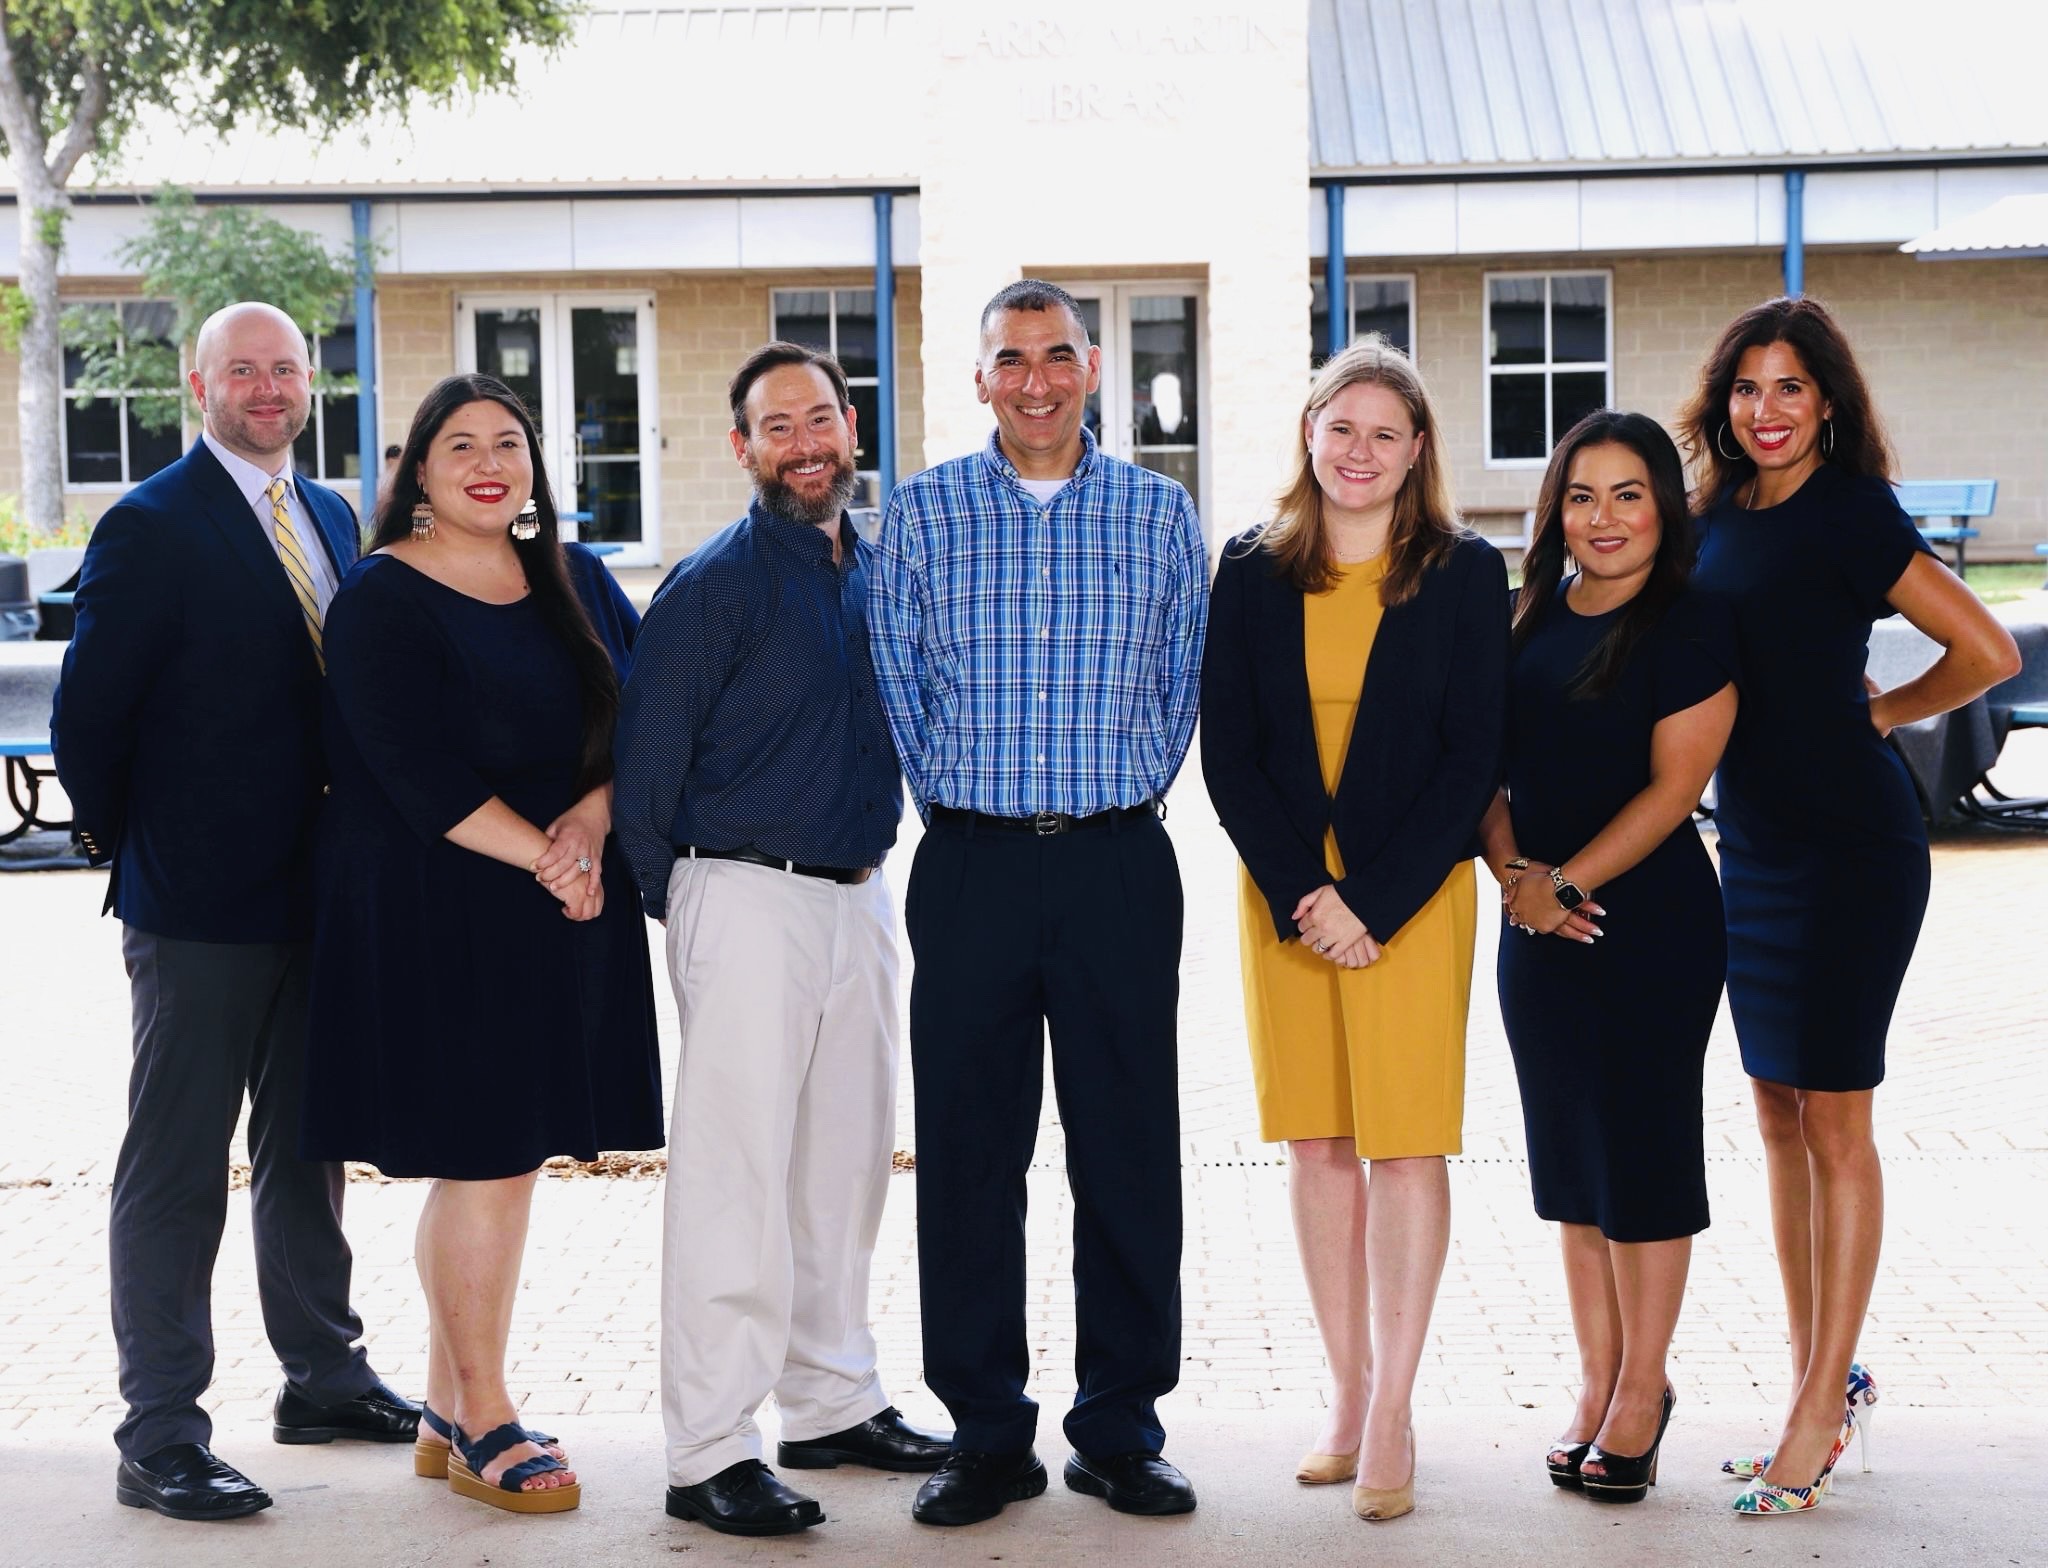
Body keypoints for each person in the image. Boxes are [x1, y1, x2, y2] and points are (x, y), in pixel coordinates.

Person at [51, 301, 417, 1523]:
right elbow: (87, 725)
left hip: (324, 892)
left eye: (287, 369)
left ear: (311, 383)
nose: (268, 388)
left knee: (308, 1148)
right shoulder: (148, 525)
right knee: (175, 1165)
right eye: (243, 370)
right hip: (199, 904)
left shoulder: (327, 511)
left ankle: (321, 1375)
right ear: (195, 383)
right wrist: (139, 849)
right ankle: (159, 1430)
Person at [869, 280, 1208, 1527]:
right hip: (970, 866)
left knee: (1126, 1150)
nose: (1034, 380)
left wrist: (1106, 796)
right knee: (967, 1154)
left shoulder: (1156, 513)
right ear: (978, 379)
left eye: (1056, 355)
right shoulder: (922, 512)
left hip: (1118, 860)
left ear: (1092, 367)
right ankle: (984, 1430)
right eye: (1008, 359)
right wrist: (972, 803)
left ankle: (1118, 1426)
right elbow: (899, 678)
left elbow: (1181, 682)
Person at [301, 371, 665, 1515]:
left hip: (555, 906)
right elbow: (412, 771)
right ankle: (483, 1412)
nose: (486, 461)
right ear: (417, 469)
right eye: (458, 444)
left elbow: (640, 718)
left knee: (498, 1158)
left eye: (507, 440)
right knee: (487, 1159)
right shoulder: (381, 598)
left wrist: (594, 821)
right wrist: (551, 856)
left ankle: (439, 1401)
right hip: (436, 906)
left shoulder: (576, 577)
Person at [1679, 297, 2019, 1516]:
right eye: (1744, 387)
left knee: (1833, 1118)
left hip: (1850, 848)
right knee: (1774, 1110)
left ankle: (1819, 1409)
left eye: (1788, 387)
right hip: (1755, 843)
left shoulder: (1850, 513)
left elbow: (1986, 649)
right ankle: (1817, 1377)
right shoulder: (1714, 514)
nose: (1762, 410)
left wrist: (1876, 714)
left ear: (1826, 400)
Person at [612, 341, 950, 1539]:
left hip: (859, 895)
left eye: (821, 420)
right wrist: (704, 918)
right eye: (777, 426)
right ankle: (707, 1447)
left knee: (843, 1166)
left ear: (851, 427)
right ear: (742, 447)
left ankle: (828, 1399)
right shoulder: (712, 586)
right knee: (734, 1179)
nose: (805, 444)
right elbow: (644, 780)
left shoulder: (874, 564)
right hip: (744, 895)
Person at [1201, 335, 1505, 1524]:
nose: (1359, 451)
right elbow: (1226, 750)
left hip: (1409, 901)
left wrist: (1369, 901)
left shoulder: (1466, 571)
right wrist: (1301, 893)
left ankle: (1396, 1406)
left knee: (1406, 1146)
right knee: (1319, 1145)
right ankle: (1345, 1388)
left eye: (1384, 432)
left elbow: (1470, 752)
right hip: (1285, 902)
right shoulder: (1252, 567)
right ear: (1308, 436)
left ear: (1417, 448)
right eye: (1341, 428)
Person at [1475, 410, 1737, 1505]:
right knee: (1572, 1172)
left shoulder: (1691, 621)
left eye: (1628, 492)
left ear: (1662, 507)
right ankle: (1595, 1379)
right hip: (1536, 928)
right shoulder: (1527, 613)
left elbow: (1673, 789)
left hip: (1649, 927)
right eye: (1581, 494)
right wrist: (1514, 882)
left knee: (1642, 1158)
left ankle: (1643, 1390)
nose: (1603, 515)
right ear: (1555, 511)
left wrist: (1564, 883)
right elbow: (1483, 773)